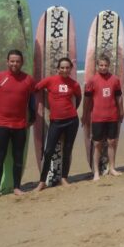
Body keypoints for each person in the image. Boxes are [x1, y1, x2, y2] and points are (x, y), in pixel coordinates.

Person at [34, 57, 82, 191]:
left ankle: (64, 178)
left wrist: (72, 110)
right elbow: (35, 88)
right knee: (48, 151)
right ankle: (42, 182)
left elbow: (78, 98)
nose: (65, 70)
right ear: (58, 68)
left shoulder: (74, 84)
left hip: (72, 121)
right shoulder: (50, 81)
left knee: (67, 150)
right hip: (56, 122)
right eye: (62, 67)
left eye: (67, 68)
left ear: (71, 69)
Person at [0, 50, 35, 195]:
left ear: (22, 62)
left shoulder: (28, 80)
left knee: (18, 158)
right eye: (12, 61)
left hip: (20, 125)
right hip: (1, 124)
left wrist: (32, 117)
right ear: (7, 62)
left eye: (17, 61)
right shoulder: (0, 77)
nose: (15, 64)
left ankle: (16, 187)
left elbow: (32, 100)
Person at [82, 55, 124, 180]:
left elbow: (118, 97)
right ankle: (96, 172)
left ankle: (112, 168)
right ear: (97, 66)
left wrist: (121, 111)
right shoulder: (92, 81)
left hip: (112, 116)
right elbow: (87, 100)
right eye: (101, 65)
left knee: (112, 142)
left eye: (105, 65)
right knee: (97, 144)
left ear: (108, 66)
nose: (103, 67)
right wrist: (84, 115)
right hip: (98, 117)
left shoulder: (115, 80)